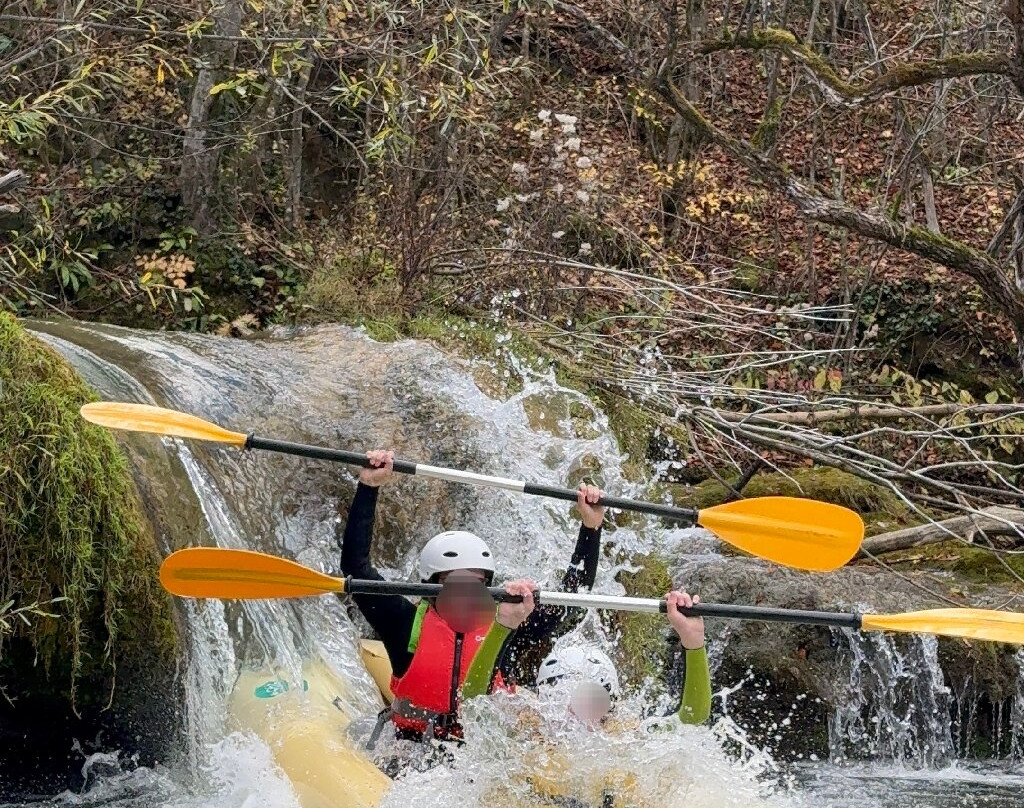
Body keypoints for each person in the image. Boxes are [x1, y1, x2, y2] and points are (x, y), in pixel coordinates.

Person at [339, 449, 606, 743]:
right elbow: (356, 567)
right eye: (456, 582)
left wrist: (590, 528)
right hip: (411, 748)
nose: (466, 593)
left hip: (478, 755)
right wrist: (369, 485)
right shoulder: (403, 622)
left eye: (476, 582)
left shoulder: (507, 624)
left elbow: (571, 600)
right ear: (431, 585)